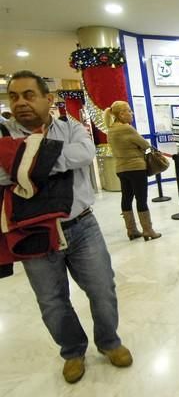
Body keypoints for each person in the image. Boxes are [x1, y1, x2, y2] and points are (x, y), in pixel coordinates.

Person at [3, 70, 132, 383]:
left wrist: (27, 164)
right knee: (52, 300)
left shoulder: (69, 126)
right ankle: (72, 351)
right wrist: (48, 162)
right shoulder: (4, 133)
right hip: (33, 232)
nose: (21, 103)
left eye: (29, 95)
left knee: (102, 288)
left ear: (48, 99)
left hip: (82, 224)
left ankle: (109, 342)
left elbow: (84, 153)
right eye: (14, 96)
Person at [104, 101, 161, 241]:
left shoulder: (110, 129)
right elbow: (145, 144)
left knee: (126, 198)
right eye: (129, 111)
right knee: (141, 199)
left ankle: (132, 230)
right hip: (135, 168)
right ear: (121, 114)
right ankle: (148, 230)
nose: (132, 113)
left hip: (121, 168)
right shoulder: (126, 128)